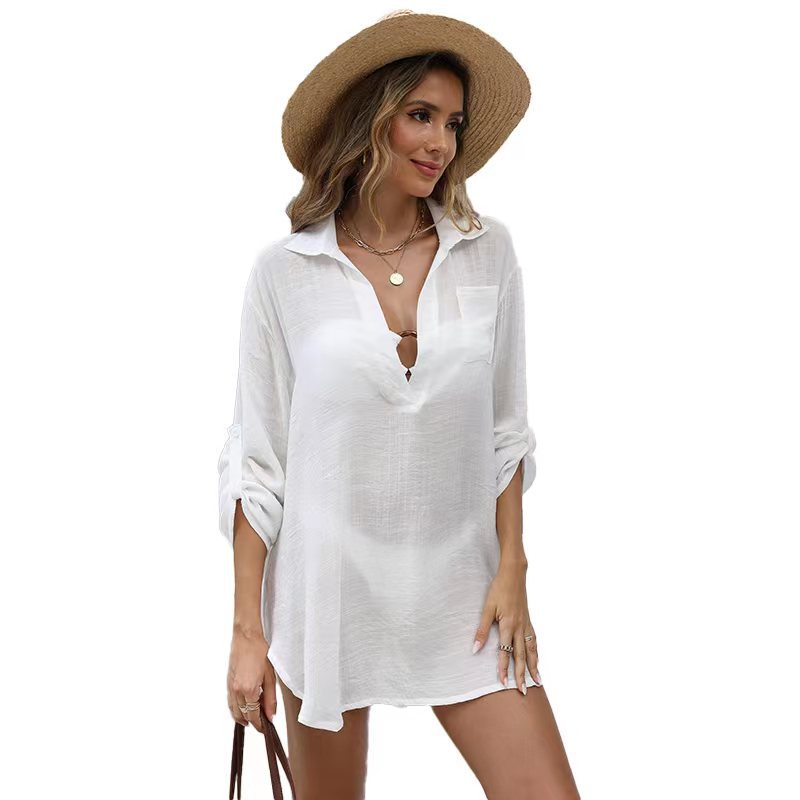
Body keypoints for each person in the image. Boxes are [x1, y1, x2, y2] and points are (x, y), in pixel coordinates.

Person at [217, 10, 580, 799]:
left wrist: (513, 567)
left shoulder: (487, 252)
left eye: (452, 123)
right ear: (369, 120)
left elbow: (507, 431)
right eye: (421, 115)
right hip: (328, 592)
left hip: (464, 586)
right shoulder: (286, 272)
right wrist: (248, 634)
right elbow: (258, 463)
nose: (441, 142)